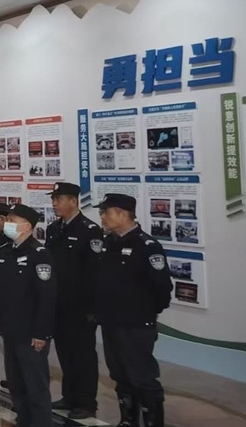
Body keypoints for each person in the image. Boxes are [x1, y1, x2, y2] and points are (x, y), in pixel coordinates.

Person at [96, 194, 173, 427]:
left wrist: (144, 312)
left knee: (142, 377)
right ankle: (128, 420)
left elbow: (162, 289)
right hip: (112, 322)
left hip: (136, 325)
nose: (102, 217)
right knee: (120, 375)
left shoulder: (146, 246)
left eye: (106, 212)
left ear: (122, 213)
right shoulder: (108, 243)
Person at [0, 204, 55, 427]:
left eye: (13, 220)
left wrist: (41, 333)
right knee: (17, 385)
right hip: (11, 330)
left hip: (31, 333)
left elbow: (46, 297)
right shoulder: (5, 252)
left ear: (27, 226)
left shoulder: (39, 254)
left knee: (35, 386)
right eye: (7, 219)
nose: (8, 223)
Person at [45, 181, 103, 419]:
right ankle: (69, 396)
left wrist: (91, 308)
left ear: (73, 201)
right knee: (65, 353)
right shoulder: (54, 229)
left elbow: (94, 273)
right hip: (59, 305)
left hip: (80, 308)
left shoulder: (90, 231)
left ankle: (86, 402)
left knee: (83, 356)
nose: (54, 204)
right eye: (53, 199)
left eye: (58, 199)